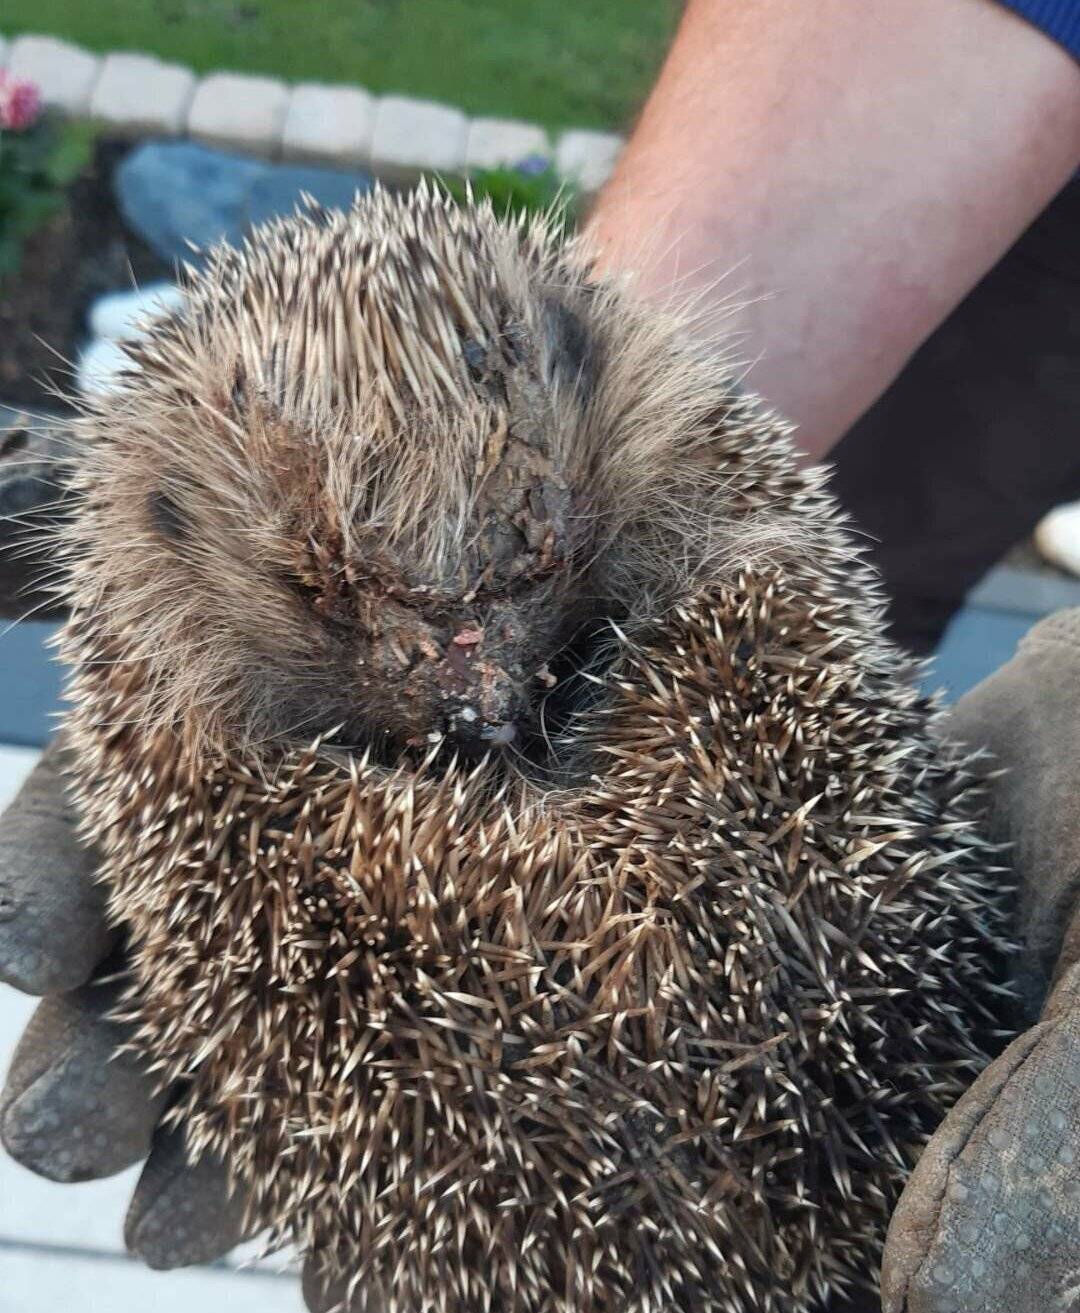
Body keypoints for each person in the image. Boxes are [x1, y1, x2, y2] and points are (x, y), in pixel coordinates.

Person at [1, 3, 1078, 1310]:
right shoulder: (189, 597)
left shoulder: (654, 472)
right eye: (345, 600)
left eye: (528, 557)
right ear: (177, 530)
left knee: (794, 593)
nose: (484, 682)